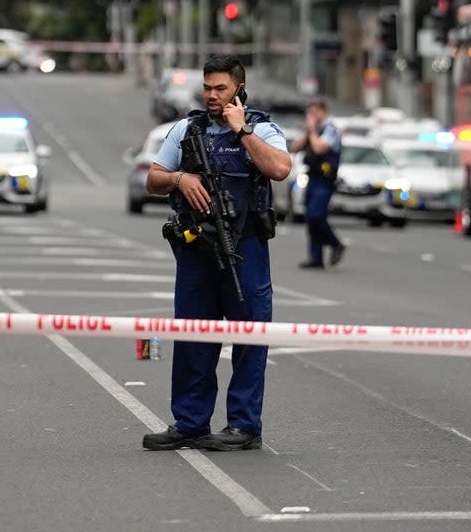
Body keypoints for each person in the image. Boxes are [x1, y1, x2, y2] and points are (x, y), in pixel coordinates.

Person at [141, 54, 291, 452]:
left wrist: (241, 132)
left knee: (249, 338)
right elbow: (153, 178)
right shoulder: (187, 129)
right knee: (192, 336)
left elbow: (279, 168)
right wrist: (180, 178)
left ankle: (244, 426)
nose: (211, 95)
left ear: (239, 89)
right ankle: (190, 423)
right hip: (195, 248)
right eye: (207, 87)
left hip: (245, 248)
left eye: (220, 88)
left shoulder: (262, 128)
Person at [289, 99, 346, 269]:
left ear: (323, 111)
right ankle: (316, 258)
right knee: (310, 218)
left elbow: (320, 148)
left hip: (325, 179)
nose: (310, 117)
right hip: (312, 178)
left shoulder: (330, 129)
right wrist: (308, 132)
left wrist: (311, 130)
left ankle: (336, 244)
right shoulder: (314, 130)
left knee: (316, 215)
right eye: (309, 114)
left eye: (313, 113)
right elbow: (294, 147)